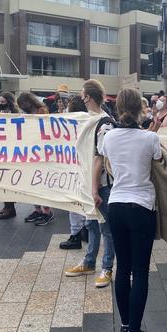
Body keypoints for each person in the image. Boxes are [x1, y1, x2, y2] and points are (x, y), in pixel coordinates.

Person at [100, 88, 161, 332]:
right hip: (141, 206)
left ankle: (125, 326)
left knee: (122, 268)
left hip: (116, 205)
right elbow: (160, 162)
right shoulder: (150, 138)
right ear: (141, 109)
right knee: (140, 271)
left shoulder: (109, 137)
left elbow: (106, 159)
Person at [64, 81, 116, 288]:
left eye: (83, 95)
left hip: (100, 185)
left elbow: (100, 158)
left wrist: (95, 188)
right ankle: (89, 262)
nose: (81, 99)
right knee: (92, 224)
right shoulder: (91, 121)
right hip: (91, 184)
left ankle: (107, 267)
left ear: (89, 98)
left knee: (106, 228)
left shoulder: (104, 123)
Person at [15, 92, 55, 226]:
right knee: (32, 184)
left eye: (22, 104)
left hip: (41, 153)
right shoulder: (25, 113)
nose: (22, 107)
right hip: (29, 153)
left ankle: (47, 212)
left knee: (41, 184)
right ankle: (37, 210)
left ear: (28, 102)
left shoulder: (41, 111)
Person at [59, 95, 90, 250]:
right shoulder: (91, 121)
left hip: (74, 167)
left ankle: (75, 235)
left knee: (74, 202)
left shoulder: (70, 124)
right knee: (84, 200)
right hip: (86, 166)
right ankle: (85, 230)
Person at [0, 92, 23, 220]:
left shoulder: (16, 115)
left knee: (9, 180)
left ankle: (10, 207)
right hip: (1, 152)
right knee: (2, 180)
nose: (0, 104)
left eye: (3, 101)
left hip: (13, 153)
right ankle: (7, 205)